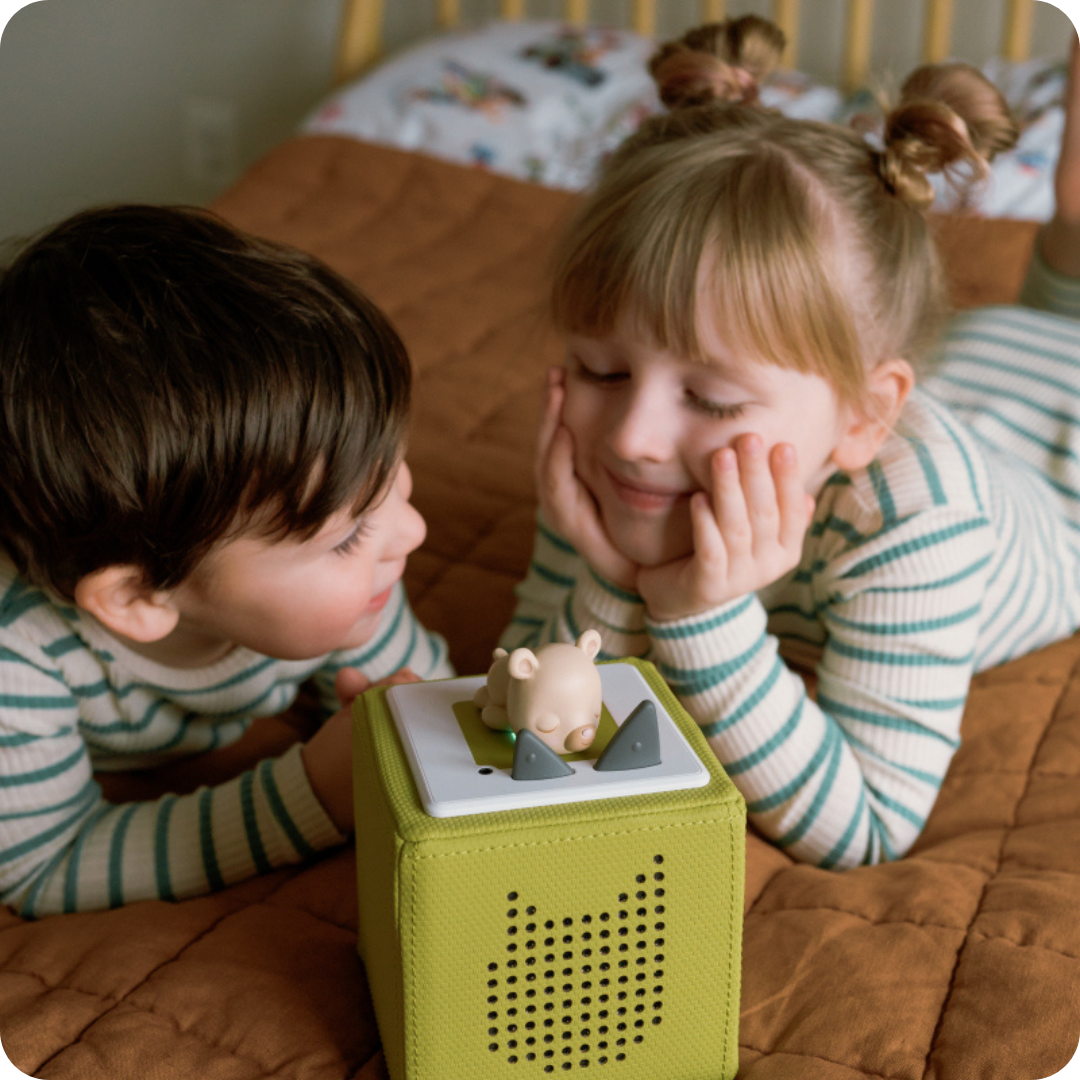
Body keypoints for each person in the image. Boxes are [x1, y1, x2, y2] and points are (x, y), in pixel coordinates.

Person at [504, 19, 1080, 869]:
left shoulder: (916, 514)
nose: (633, 437)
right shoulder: (610, 453)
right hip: (978, 366)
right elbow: (533, 697)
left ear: (862, 420)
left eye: (712, 396)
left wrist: (700, 616)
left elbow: (871, 825)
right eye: (599, 369)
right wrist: (611, 570)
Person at [0, 205, 453, 917]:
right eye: (345, 537)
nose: (411, 533)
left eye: (394, 478)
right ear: (141, 597)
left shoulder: (356, 580)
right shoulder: (19, 657)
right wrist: (313, 794)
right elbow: (44, 863)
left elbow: (423, 706)